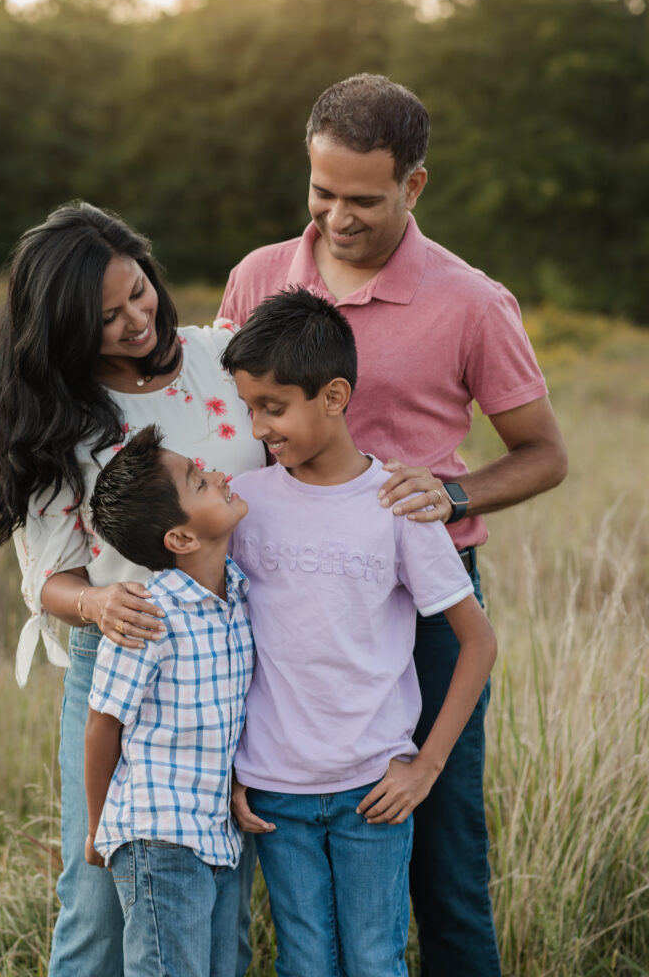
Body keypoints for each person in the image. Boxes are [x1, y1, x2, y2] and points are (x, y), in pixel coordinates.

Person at [218, 76, 568, 974]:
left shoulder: (472, 301)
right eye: (321, 191)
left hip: (422, 599)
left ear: (413, 186)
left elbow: (543, 454)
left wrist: (452, 496)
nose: (336, 217)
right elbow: (221, 426)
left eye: (362, 199)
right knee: (288, 834)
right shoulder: (259, 278)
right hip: (287, 593)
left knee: (445, 843)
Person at [0, 201, 265, 977]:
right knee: (100, 901)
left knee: (217, 899)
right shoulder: (62, 415)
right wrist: (97, 604)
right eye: (107, 317)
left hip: (232, 658)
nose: (136, 319)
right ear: (67, 328)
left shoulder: (225, 356)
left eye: (138, 290)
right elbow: (48, 578)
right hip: (126, 659)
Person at [217, 288, 497, 976]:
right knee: (304, 961)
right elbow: (218, 642)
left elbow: (478, 641)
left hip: (374, 787)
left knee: (375, 960)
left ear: (334, 396)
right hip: (274, 788)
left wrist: (425, 767)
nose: (258, 428)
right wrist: (227, 769)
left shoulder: (396, 505)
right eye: (249, 408)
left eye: (273, 408)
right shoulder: (242, 507)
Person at [83, 423, 254, 977]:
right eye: (198, 481)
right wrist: (95, 827)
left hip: (214, 834)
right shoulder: (148, 613)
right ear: (179, 539)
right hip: (159, 835)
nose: (218, 475)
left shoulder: (237, 596)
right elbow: (102, 723)